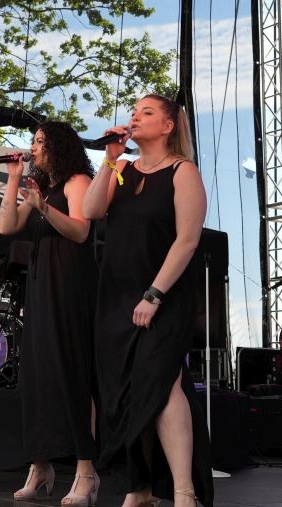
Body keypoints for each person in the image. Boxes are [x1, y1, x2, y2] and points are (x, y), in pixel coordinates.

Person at [82, 94, 213, 507]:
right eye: (134, 112)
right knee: (125, 392)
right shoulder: (121, 168)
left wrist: (154, 295)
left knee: (161, 385)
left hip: (163, 295)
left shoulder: (182, 171)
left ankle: (183, 490)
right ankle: (139, 488)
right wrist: (110, 158)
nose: (135, 117)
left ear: (168, 126)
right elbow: (90, 210)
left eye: (147, 113)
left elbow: (187, 241)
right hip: (116, 296)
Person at [0, 122, 100, 505]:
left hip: (70, 284)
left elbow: (80, 232)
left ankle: (86, 471)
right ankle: (40, 465)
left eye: (40, 141)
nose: (33, 147)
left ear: (58, 146)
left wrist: (43, 207)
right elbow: (7, 226)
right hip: (41, 284)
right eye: (33, 141)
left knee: (70, 371)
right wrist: (14, 179)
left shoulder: (77, 181)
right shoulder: (40, 187)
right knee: (37, 373)